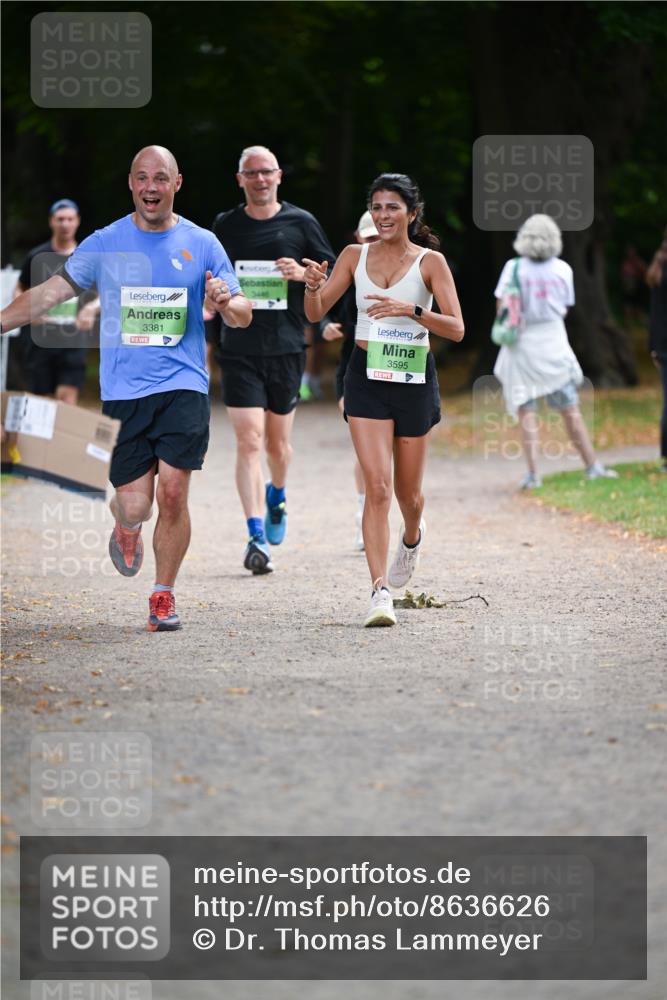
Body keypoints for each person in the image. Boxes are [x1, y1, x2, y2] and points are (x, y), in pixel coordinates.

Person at [1, 145, 251, 631]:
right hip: (125, 391)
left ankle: (163, 596)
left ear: (177, 184)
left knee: (175, 493)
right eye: (142, 178)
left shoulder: (202, 244)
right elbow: (48, 294)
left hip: (183, 384)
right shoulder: (104, 243)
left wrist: (226, 301)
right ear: (131, 184)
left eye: (161, 178)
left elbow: (242, 314)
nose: (151, 187)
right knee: (138, 502)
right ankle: (127, 524)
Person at [304, 173, 464, 628]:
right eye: (376, 207)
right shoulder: (354, 256)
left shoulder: (431, 262)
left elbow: (457, 328)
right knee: (376, 487)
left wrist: (411, 310)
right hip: (365, 377)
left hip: (413, 379)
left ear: (412, 214)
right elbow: (316, 314)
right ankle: (380, 591)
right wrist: (312, 287)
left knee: (408, 495)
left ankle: (411, 536)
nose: (383, 215)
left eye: (392, 207)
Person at [211, 145, 335, 575]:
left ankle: (277, 492)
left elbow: (333, 272)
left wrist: (303, 276)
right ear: (239, 178)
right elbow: (209, 282)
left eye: (267, 172)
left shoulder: (300, 222)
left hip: (286, 346)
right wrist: (211, 340)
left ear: (279, 176)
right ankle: (255, 534)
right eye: (252, 173)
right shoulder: (226, 226)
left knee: (278, 447)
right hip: (238, 347)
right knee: (248, 441)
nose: (260, 179)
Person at [493, 214, 618, 489]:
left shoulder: (513, 268)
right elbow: (566, 306)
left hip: (522, 346)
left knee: (527, 411)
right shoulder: (563, 269)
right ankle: (592, 465)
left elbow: (502, 307)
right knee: (570, 409)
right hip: (553, 343)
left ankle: (533, 474)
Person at [322, 210, 380, 550]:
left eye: (378, 235)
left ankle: (402, 514)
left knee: (396, 450)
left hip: (401, 367)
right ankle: (365, 518)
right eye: (368, 237)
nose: (373, 242)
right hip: (354, 369)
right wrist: (325, 326)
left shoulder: (410, 268)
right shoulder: (349, 274)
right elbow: (322, 308)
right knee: (366, 449)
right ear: (358, 239)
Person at [13, 199, 96, 405]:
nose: (65, 224)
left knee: (66, 398)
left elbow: (108, 290)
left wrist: (92, 309)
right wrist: (31, 311)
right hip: (41, 340)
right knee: (42, 403)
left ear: (77, 221)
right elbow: (19, 289)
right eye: (60, 219)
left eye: (69, 219)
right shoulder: (36, 255)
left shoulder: (88, 257)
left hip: (73, 338)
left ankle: (63, 437)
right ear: (51, 222)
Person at [646, 227, 667, 473]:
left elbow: (654, 316)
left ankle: (664, 456)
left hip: (661, 347)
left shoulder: (658, 270)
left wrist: (652, 347)